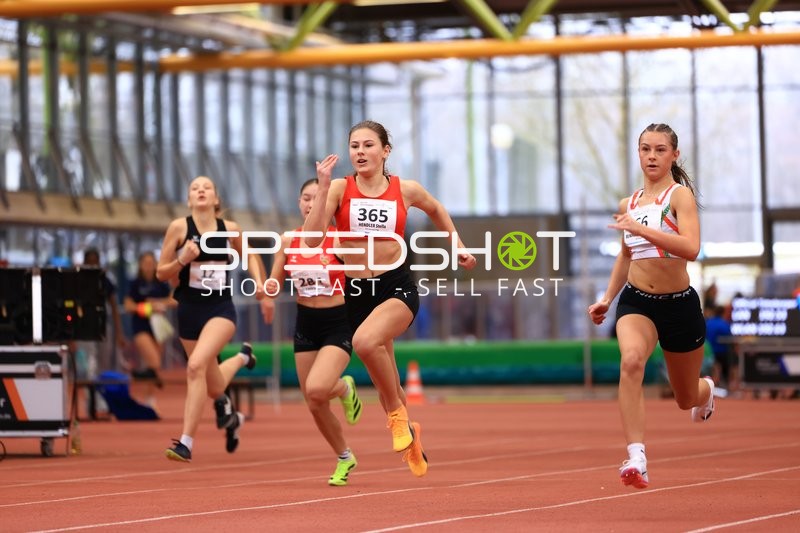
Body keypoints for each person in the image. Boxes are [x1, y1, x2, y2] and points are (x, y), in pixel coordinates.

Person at [304, 120, 477, 477]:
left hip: (395, 285)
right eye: (354, 146)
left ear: (385, 151)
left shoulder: (406, 189)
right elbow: (310, 239)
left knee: (366, 342)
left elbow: (437, 209)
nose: (360, 152)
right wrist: (322, 187)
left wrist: (456, 244)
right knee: (390, 384)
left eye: (368, 145)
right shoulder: (338, 188)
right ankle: (411, 437)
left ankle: (398, 419)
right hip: (357, 292)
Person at [587, 123, 715, 490]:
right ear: (638, 153)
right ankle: (636, 456)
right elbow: (626, 256)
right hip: (637, 301)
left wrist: (643, 229)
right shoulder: (628, 204)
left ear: (674, 155)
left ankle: (705, 390)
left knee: (684, 396)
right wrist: (607, 300)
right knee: (630, 362)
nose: (652, 156)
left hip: (679, 305)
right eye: (645, 149)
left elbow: (691, 247)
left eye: (660, 150)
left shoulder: (680, 197)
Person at [260, 178, 363, 486]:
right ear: (299, 203)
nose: (311, 203)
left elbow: (364, 276)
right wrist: (267, 291)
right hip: (305, 323)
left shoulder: (340, 240)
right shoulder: (288, 239)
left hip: (338, 321)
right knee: (313, 400)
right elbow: (275, 281)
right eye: (306, 198)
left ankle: (344, 388)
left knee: (319, 388)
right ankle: (345, 457)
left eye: (317, 197)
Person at [156, 175, 263, 462]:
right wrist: (182, 259)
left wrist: (260, 287)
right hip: (189, 311)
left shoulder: (230, 230)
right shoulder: (179, 228)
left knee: (195, 367)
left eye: (207, 188)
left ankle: (186, 443)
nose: (201, 191)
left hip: (220, 310)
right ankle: (242, 358)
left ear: (216, 199)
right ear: (189, 199)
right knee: (213, 385)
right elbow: (161, 273)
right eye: (194, 188)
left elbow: (250, 256)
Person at [123, 251, 176, 407]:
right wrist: (146, 307)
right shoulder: (135, 283)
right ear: (140, 265)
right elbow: (128, 305)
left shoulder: (161, 283)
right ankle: (138, 375)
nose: (148, 266)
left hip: (157, 326)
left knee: (153, 366)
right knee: (154, 360)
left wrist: (159, 303)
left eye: (151, 263)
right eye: (145, 263)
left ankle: (149, 399)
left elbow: (173, 300)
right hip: (141, 326)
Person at [705, 305, 733, 391]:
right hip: (721, 352)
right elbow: (730, 337)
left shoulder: (708, 322)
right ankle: (726, 387)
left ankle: (710, 387)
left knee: (711, 371)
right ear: (723, 313)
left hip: (707, 353)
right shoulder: (723, 324)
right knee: (725, 369)